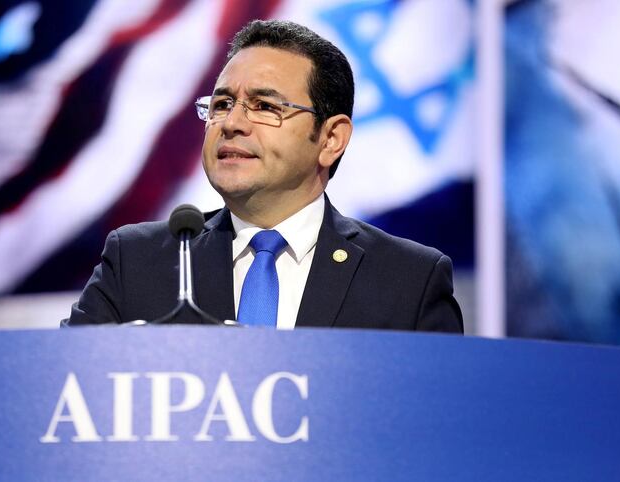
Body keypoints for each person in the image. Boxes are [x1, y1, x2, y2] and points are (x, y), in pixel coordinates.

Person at [66, 20, 463, 332]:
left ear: (330, 139)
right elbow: (61, 390)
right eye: (222, 104)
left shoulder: (409, 280)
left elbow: (438, 427)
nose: (233, 122)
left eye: (264, 106)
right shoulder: (137, 260)